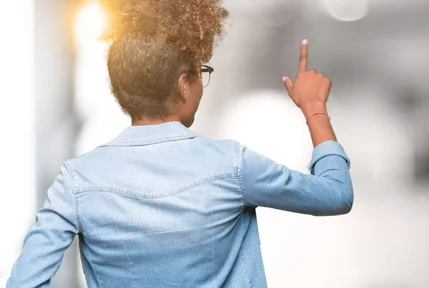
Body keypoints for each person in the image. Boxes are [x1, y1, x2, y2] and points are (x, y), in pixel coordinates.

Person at [7, 0, 353, 287]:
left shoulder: (76, 181)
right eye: (201, 73)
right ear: (183, 83)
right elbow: (335, 194)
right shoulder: (232, 165)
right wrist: (314, 108)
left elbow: (25, 282)